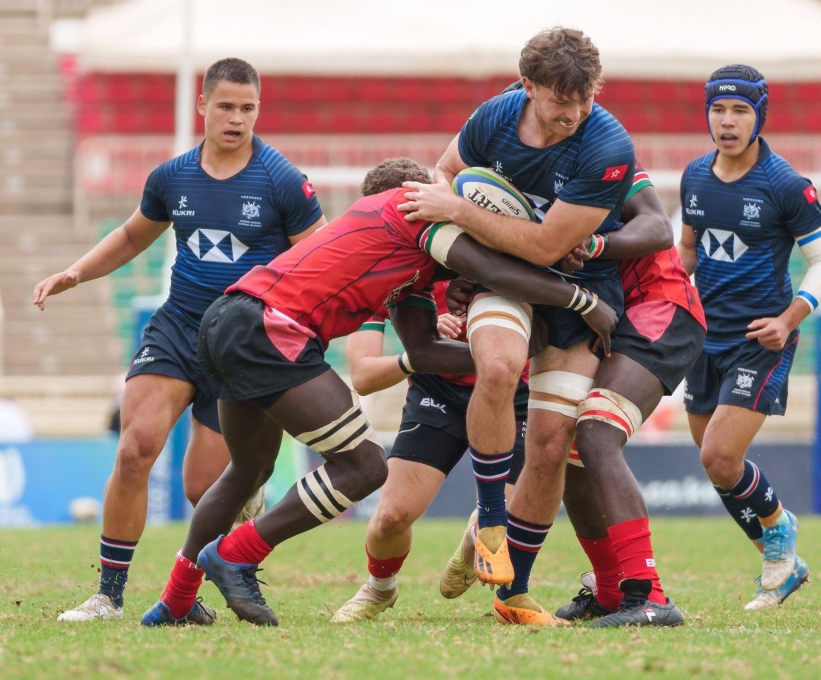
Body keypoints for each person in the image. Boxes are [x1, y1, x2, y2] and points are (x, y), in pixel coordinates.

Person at [139, 157, 616, 626]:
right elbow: (497, 272)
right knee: (365, 466)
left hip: (228, 319)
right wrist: (582, 299)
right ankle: (235, 555)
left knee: (248, 471)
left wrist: (497, 359)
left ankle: (175, 601)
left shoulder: (400, 258)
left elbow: (424, 349)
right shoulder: (415, 213)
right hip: (271, 329)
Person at [34, 57, 327, 623]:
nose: (237, 118)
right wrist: (76, 272)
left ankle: (189, 591)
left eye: (247, 108)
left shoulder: (283, 181)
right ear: (203, 106)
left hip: (241, 342)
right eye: (226, 106)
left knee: (203, 489)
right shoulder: (172, 177)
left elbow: (318, 261)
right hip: (178, 326)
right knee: (136, 446)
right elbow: (128, 236)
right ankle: (108, 597)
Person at [399, 27, 635, 625]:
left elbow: (546, 244)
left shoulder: (607, 145)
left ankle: (513, 593)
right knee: (499, 368)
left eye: (585, 98)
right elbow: (443, 174)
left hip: (575, 290)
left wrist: (459, 212)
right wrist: (454, 252)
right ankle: (491, 524)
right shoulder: (494, 117)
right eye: (561, 100)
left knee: (553, 444)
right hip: (501, 280)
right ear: (529, 86)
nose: (574, 113)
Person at [676, 64, 821, 610]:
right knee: (714, 463)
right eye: (718, 110)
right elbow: (689, 250)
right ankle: (781, 560)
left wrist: (788, 320)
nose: (727, 121)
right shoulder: (695, 175)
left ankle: (780, 535)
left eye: (740, 110)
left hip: (761, 339)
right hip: (703, 337)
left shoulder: (785, 184)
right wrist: (674, 296)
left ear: (758, 116)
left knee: (722, 456)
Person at [550, 169, 706, 627]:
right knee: (574, 452)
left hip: (660, 304)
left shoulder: (602, 154)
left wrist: (597, 245)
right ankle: (613, 590)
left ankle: (649, 595)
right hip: (613, 317)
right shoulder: (522, 179)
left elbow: (658, 227)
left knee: (596, 433)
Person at [329, 280, 529, 622]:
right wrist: (420, 347)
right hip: (437, 390)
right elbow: (362, 376)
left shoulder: (498, 258)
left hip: (515, 391)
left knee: (501, 518)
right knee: (391, 517)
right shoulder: (388, 272)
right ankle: (380, 586)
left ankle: (475, 536)